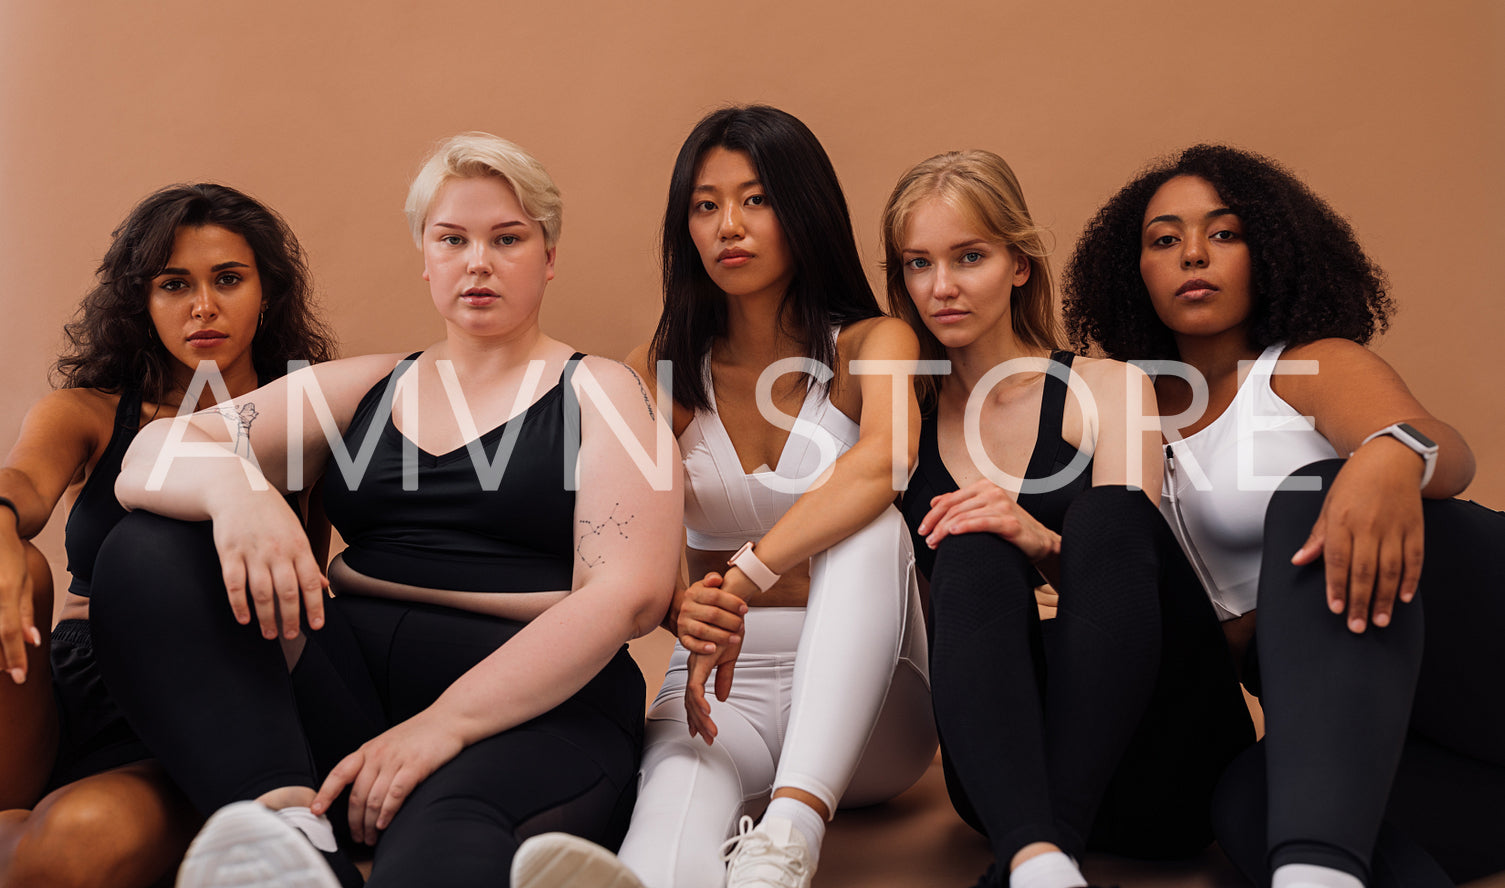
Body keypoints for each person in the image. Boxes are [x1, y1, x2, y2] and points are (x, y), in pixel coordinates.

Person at [85, 133, 683, 888]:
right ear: (424, 257)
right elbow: (151, 454)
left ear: (548, 256)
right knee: (150, 548)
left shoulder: (604, 392)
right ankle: (291, 833)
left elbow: (628, 594)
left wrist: (442, 726)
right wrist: (238, 494)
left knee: (437, 843)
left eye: (507, 239)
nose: (478, 261)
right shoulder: (364, 385)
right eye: (452, 239)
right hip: (348, 687)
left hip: (534, 702)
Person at [513, 105, 936, 888]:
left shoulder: (875, 342)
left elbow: (884, 463)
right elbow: (615, 526)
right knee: (672, 803)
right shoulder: (660, 367)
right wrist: (677, 602)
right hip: (718, 683)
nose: (726, 227)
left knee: (868, 524)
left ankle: (793, 831)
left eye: (755, 199)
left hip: (875, 704)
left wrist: (740, 575)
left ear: (802, 209)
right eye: (705, 206)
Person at [1062, 143, 1505, 888]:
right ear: (1132, 271)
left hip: (1468, 644)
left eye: (1224, 234)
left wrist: (1388, 457)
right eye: (1163, 240)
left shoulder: (1306, 364)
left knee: (1313, 493)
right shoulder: (1116, 416)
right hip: (1418, 746)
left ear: (1267, 251)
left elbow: (1448, 455)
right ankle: (1322, 868)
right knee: (1243, 801)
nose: (1192, 255)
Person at [881, 150, 1254, 888]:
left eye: (969, 257)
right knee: (969, 544)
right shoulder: (899, 418)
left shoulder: (1106, 388)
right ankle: (1040, 860)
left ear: (1019, 264)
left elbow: (1129, 569)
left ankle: (1047, 852)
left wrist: (1036, 536)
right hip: (1000, 779)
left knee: (1109, 514)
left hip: (1165, 759)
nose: (942, 286)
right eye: (918, 264)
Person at [0, 183, 337, 888]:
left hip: (209, 705)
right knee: (14, 564)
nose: (203, 307)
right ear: (141, 301)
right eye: (174, 284)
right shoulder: (86, 413)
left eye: (228, 280)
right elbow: (24, 486)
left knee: (72, 845)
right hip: (66, 689)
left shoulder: (309, 425)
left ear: (267, 294)